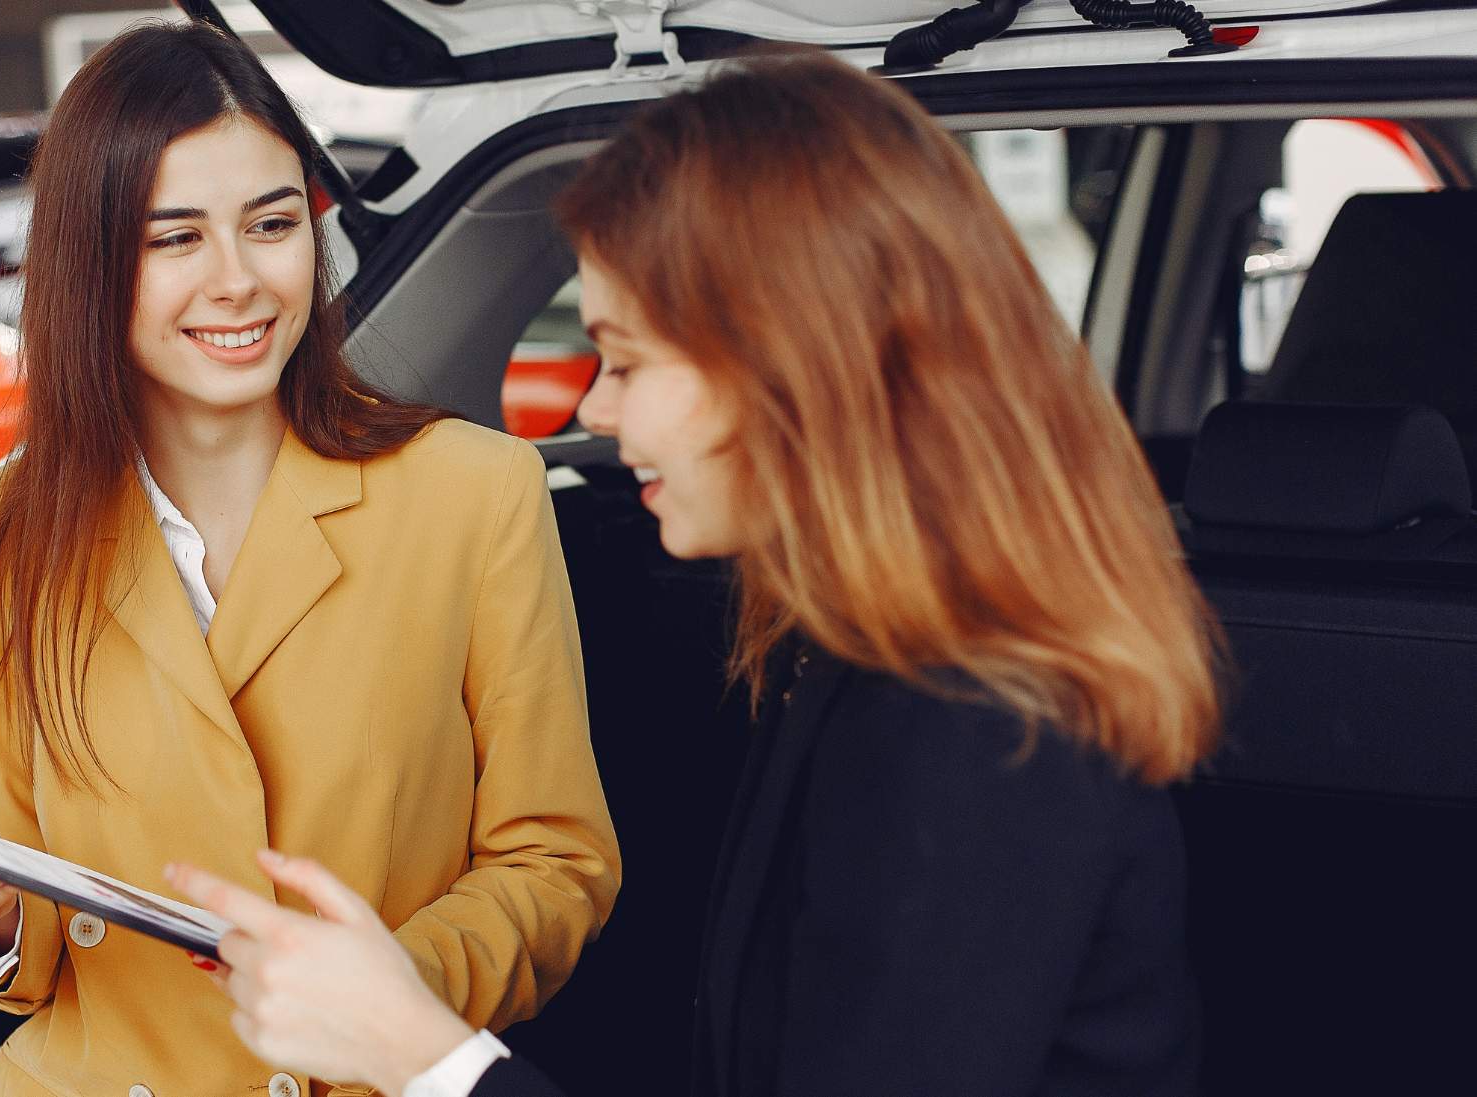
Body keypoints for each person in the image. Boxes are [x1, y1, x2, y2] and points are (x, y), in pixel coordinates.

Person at [164, 45, 1224, 1097]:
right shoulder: (861, 648)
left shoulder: (978, 724)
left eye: (626, 360)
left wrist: (420, 1050)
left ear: (792, 371)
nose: (594, 410)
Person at [0, 21, 621, 1097]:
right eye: (175, 239)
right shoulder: (7, 527)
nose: (238, 282)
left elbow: (558, 863)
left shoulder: (474, 493)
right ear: (91, 262)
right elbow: (32, 951)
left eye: (271, 224)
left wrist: (388, 992)